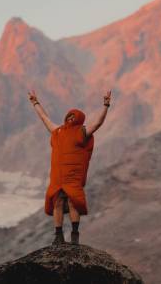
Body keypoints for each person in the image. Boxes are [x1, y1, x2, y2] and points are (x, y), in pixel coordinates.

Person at [28, 89, 112, 245]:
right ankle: (58, 236)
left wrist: (106, 105)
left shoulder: (82, 131)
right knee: (58, 202)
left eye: (74, 116)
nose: (71, 118)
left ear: (79, 119)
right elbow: (44, 118)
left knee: (74, 203)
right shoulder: (58, 131)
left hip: (73, 176)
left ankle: (74, 235)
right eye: (69, 116)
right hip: (58, 176)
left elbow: (98, 123)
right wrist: (35, 102)